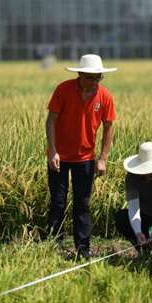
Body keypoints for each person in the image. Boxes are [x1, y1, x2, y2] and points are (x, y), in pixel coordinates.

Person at [46, 54, 117, 259]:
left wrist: (102, 158)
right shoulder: (63, 90)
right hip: (59, 156)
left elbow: (109, 126)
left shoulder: (105, 97)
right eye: (89, 77)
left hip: (86, 158)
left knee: (82, 203)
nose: (94, 82)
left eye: (98, 78)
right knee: (58, 201)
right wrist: (53, 151)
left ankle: (83, 248)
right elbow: (50, 120)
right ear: (79, 74)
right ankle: (53, 244)